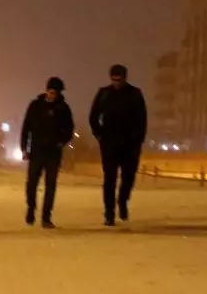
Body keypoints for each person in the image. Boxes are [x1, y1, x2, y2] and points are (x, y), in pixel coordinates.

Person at [89, 63, 147, 226]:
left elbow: (142, 119)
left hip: (130, 144)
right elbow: (93, 116)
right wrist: (99, 134)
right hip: (109, 144)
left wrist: (138, 139)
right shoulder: (104, 94)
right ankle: (109, 213)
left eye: (119, 79)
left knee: (128, 178)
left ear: (125, 78)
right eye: (114, 79)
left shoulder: (135, 94)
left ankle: (122, 201)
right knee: (109, 179)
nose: (116, 83)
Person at [20, 76, 75, 229]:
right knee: (31, 184)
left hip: (53, 153)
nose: (52, 95)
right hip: (36, 151)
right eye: (50, 92)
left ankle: (46, 217)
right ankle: (31, 208)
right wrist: (24, 148)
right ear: (46, 91)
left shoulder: (63, 108)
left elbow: (70, 129)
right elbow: (26, 128)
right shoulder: (35, 106)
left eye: (55, 93)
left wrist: (61, 142)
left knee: (50, 185)